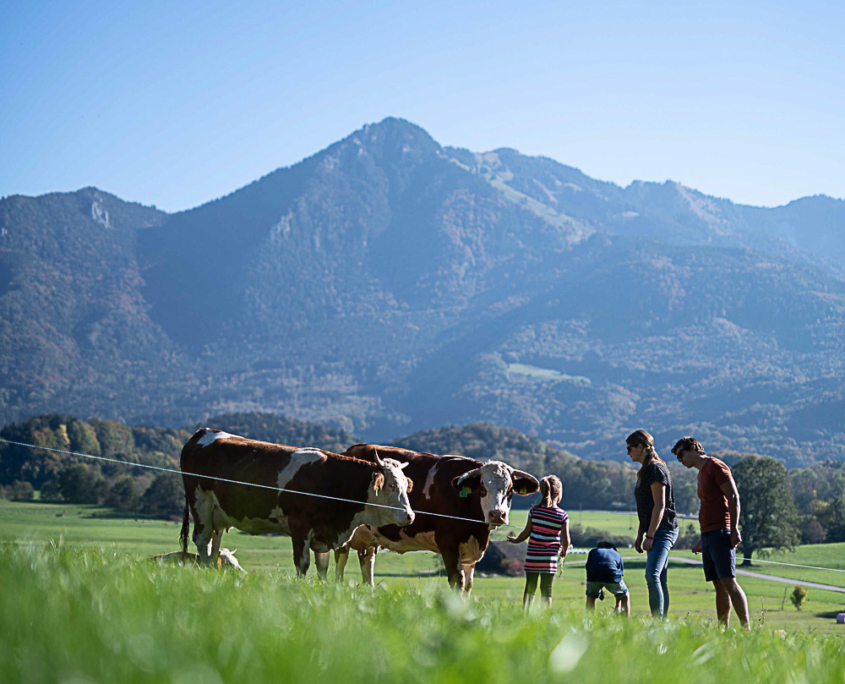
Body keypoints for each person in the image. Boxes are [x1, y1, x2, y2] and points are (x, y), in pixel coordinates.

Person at [672, 436, 750, 630]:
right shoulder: (701, 474)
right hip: (708, 534)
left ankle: (746, 630)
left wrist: (733, 529)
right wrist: (702, 539)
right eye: (677, 458)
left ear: (695, 448)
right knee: (718, 585)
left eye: (681, 454)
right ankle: (723, 630)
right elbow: (709, 505)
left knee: (729, 582)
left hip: (721, 532)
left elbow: (733, 497)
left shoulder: (716, 466)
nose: (680, 460)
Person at [627, 429, 679, 619]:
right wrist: (641, 534)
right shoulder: (646, 470)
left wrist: (650, 536)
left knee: (652, 575)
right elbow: (645, 508)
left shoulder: (656, 469)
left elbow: (660, 505)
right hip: (653, 529)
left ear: (640, 447)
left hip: (663, 530)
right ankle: (662, 626)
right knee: (660, 578)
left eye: (630, 448)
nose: (628, 453)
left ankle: (658, 624)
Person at [507, 475, 570, 611]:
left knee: (530, 587)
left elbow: (526, 532)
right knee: (546, 589)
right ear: (558, 493)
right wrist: (564, 550)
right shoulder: (562, 515)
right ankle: (545, 616)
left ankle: (526, 613)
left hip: (533, 557)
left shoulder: (534, 511)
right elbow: (566, 539)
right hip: (549, 558)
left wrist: (516, 540)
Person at [585, 541, 630, 616]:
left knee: (591, 597)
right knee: (625, 596)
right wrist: (617, 605)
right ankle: (626, 623)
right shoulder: (616, 554)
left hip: (593, 575)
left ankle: (588, 624)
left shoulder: (593, 551)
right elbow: (619, 578)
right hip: (611, 574)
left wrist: (598, 590)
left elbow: (591, 568)